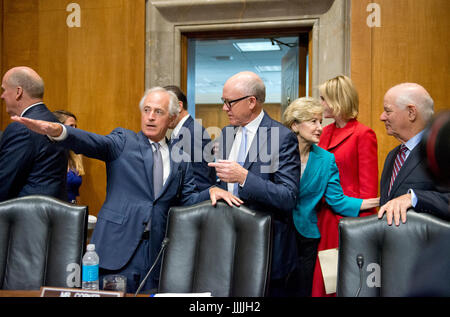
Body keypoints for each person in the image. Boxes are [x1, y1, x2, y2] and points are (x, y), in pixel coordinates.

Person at [12, 86, 240, 293]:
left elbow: (187, 198)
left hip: (156, 253)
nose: (150, 117)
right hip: (117, 248)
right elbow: (92, 142)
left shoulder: (179, 157)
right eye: (147, 110)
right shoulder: (123, 141)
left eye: (158, 112)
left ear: (171, 118)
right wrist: (59, 131)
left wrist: (210, 191)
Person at [208, 71, 300, 296]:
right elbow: (220, 182)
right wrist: (214, 188)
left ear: (251, 102)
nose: (224, 108)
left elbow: (288, 197)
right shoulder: (227, 133)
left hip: (265, 251)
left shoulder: (282, 137)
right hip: (227, 247)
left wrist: (244, 178)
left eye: (229, 102)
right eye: (223, 102)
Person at [282, 97, 379, 296]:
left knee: (302, 291)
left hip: (306, 237)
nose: (319, 127)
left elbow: (337, 200)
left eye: (320, 121)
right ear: (295, 125)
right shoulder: (275, 153)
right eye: (313, 121)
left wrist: (371, 202)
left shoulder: (326, 159)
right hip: (279, 232)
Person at [312, 75, 379, 297]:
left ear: (338, 99)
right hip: (323, 219)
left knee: (347, 285)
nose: (321, 104)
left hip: (350, 221)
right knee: (325, 284)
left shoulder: (363, 134)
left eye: (324, 98)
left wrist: (362, 231)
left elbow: (369, 191)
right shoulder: (324, 133)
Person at [377, 83, 449, 225]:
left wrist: (414, 198)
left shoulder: (441, 152)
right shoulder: (392, 156)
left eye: (388, 111)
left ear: (411, 112)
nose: (382, 117)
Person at [0, 66, 67, 202]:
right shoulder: (55, 123)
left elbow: (5, 183)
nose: (2, 96)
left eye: (4, 90)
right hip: (49, 215)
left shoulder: (22, 128)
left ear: (18, 92)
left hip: (24, 218)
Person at [164, 85, 215, 191]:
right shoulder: (180, 131)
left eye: (165, 108)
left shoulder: (192, 132)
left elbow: (200, 181)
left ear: (179, 106)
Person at [53, 110, 85, 203]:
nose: (75, 129)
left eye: (75, 126)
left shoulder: (75, 155)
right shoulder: (50, 153)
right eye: (71, 126)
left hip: (71, 208)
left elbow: (76, 192)